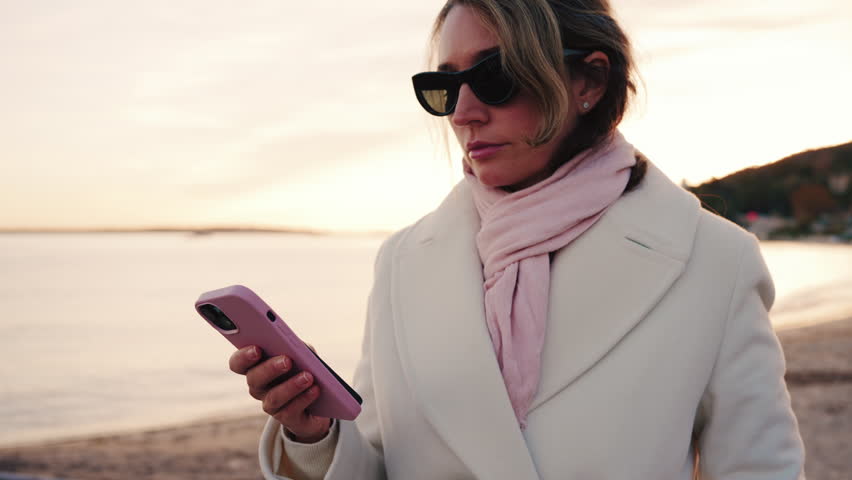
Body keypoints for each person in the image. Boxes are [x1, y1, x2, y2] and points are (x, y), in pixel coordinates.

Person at [229, 1, 806, 478]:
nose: (463, 113)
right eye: (443, 87)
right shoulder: (403, 263)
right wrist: (315, 433)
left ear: (589, 80)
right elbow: (382, 461)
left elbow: (759, 470)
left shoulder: (715, 261)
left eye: (495, 77)